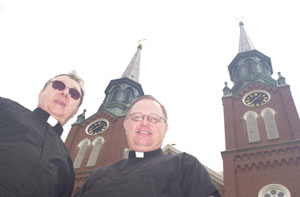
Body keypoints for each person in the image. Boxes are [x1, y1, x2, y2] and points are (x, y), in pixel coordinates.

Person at [75, 95, 221, 197]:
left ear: (165, 129)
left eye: (154, 118)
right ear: (126, 125)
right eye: (137, 117)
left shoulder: (185, 165)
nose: (145, 122)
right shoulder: (97, 176)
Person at [0, 71, 85, 197]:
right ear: (41, 94)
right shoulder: (5, 108)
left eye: (74, 94)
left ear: (75, 112)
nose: (65, 93)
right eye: (58, 85)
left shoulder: (67, 168)